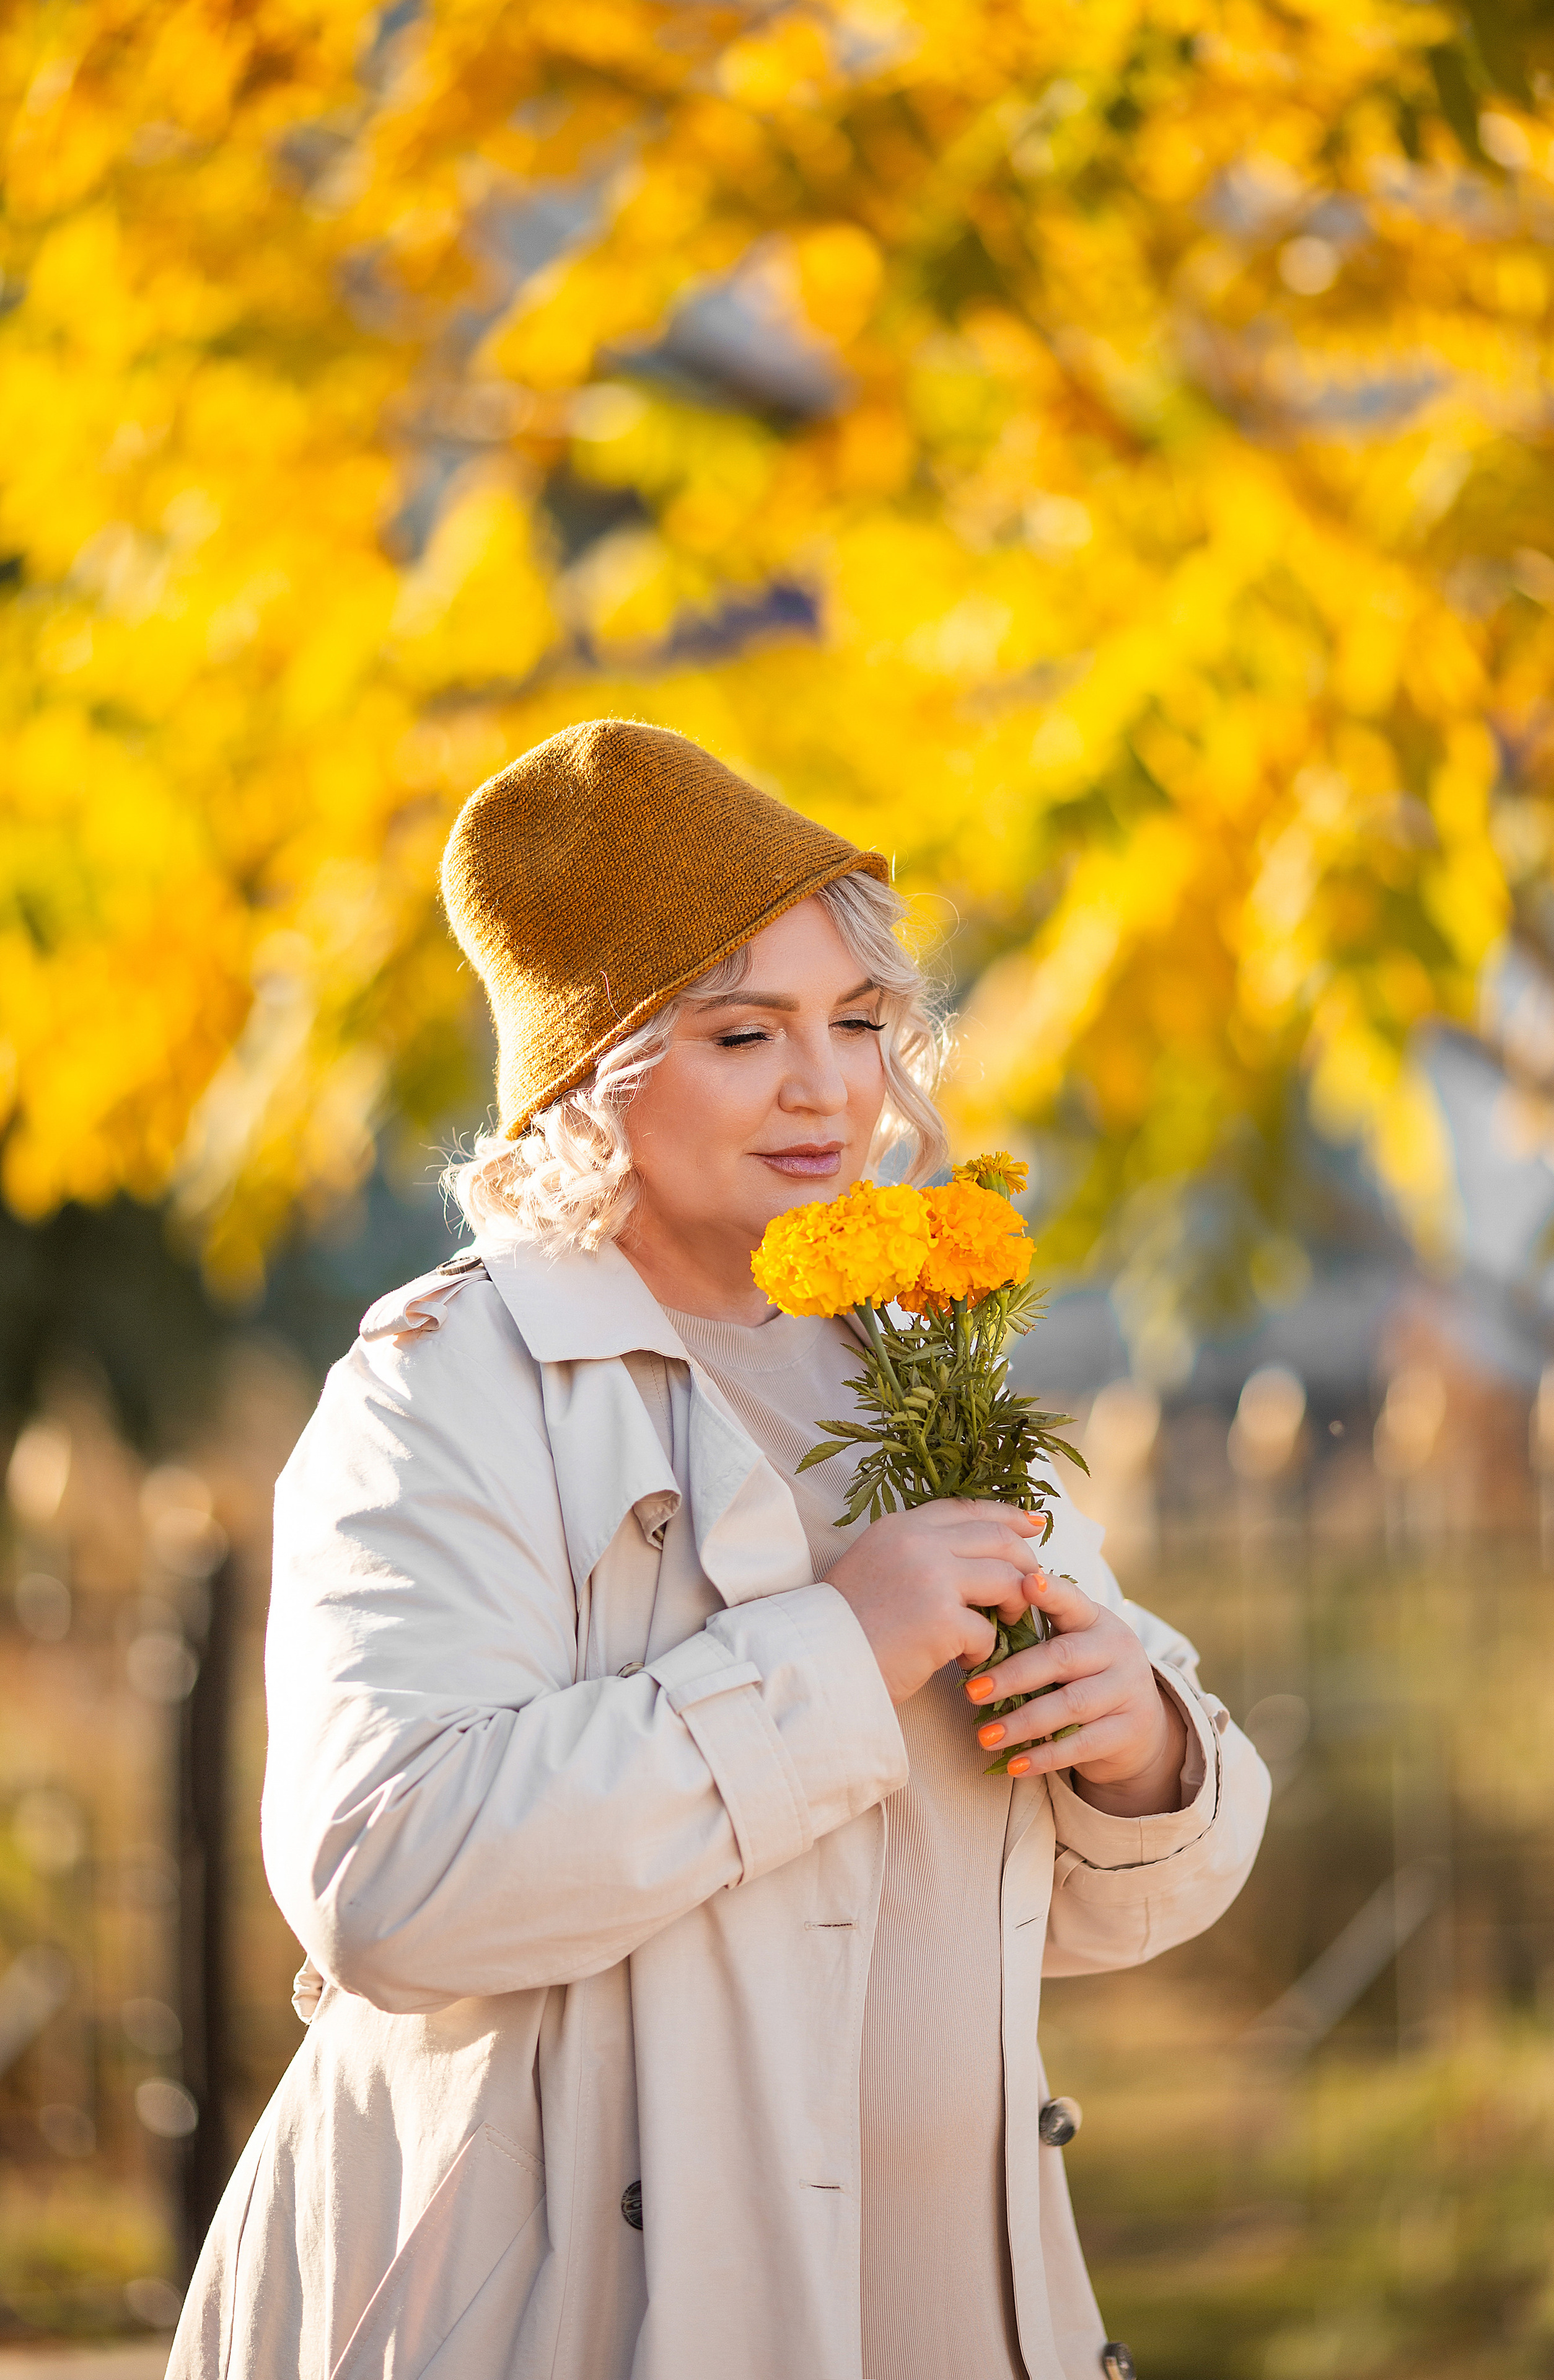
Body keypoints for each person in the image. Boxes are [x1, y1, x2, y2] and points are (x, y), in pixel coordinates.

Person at [169, 719, 1270, 2380]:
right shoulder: (446, 1388)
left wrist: (1145, 1755)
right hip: (580, 2324)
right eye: (742, 1031)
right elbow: (388, 1881)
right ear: (584, 1071)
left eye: (855, 1020)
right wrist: (836, 1652)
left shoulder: (920, 1357)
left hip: (960, 2318)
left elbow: (1064, 1911)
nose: (828, 1084)